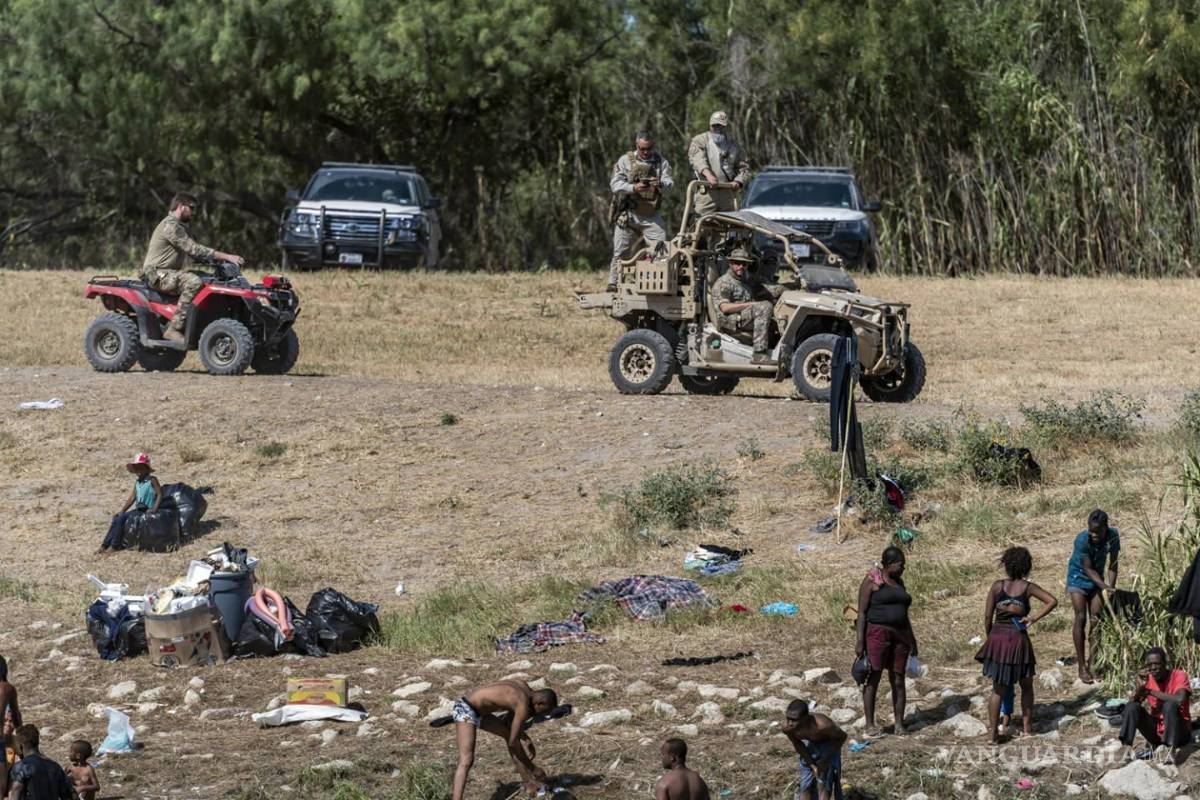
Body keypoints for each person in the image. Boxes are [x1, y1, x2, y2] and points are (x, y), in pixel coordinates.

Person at [976, 546, 1058, 744]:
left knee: (998, 689)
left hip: (998, 638)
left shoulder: (997, 586)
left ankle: (993, 735)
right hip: (1018, 639)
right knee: (1026, 686)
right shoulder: (1028, 588)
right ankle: (1027, 730)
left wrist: (991, 637)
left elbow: (987, 616)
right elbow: (1052, 601)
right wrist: (1032, 618)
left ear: (1006, 565)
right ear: (1026, 566)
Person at [140, 192, 244, 342]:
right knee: (194, 282)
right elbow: (194, 249)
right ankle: (174, 328)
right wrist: (227, 256)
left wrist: (218, 263)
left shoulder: (181, 227)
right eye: (192, 208)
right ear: (181, 206)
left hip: (169, 273)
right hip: (157, 275)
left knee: (209, 279)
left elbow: (195, 254)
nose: (194, 212)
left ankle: (200, 322)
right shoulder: (170, 226)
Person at [450, 680, 558, 800]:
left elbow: (510, 726)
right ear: (540, 703)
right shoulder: (522, 704)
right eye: (543, 711)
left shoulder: (522, 686)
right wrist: (533, 768)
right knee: (466, 760)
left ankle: (528, 783)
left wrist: (525, 738)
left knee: (508, 734)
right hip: (465, 709)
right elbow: (513, 742)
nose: (540, 715)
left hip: (481, 712)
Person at [856, 546, 918, 737]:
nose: (903, 568)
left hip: (900, 635)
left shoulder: (899, 583)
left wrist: (912, 640)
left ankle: (899, 724)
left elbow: (904, 615)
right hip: (877, 634)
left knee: (898, 678)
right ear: (890, 564)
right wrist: (860, 641)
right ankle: (870, 724)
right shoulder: (872, 581)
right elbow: (862, 612)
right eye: (901, 565)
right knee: (873, 677)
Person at [606, 131, 674, 291]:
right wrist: (633, 187)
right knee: (620, 251)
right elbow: (614, 185)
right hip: (628, 214)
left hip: (650, 214)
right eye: (642, 149)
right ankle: (613, 283)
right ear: (636, 145)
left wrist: (661, 184)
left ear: (653, 146)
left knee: (661, 249)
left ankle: (656, 283)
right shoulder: (625, 160)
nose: (645, 152)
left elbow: (670, 185)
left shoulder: (661, 162)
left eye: (649, 148)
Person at [1066, 509, 1120, 683]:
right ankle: (1082, 666)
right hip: (1078, 578)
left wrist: (1111, 588)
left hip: (1098, 579)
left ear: (1106, 528)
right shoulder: (1082, 540)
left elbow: (1113, 563)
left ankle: (1094, 662)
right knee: (1081, 618)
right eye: (1091, 531)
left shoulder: (1113, 536)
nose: (1094, 535)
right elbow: (1088, 569)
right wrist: (1104, 586)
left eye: (1097, 532)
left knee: (1097, 620)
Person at [1117, 647, 1192, 758]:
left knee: (1169, 705)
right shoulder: (1148, 680)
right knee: (1132, 706)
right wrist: (1140, 687)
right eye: (1150, 665)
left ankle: (1169, 750)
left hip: (1179, 732)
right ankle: (1126, 748)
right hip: (1157, 734)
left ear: (1165, 663)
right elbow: (1131, 707)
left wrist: (1150, 691)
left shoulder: (1179, 675)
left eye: (1157, 664)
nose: (1153, 668)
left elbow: (1180, 699)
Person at [709, 247, 781, 362]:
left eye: (744, 264)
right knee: (765, 306)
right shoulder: (724, 282)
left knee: (778, 321)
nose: (741, 267)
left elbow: (767, 289)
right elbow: (725, 308)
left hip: (743, 318)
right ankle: (759, 354)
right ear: (730, 263)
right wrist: (751, 304)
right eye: (737, 263)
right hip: (731, 321)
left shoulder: (744, 281)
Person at [687, 111, 751, 217]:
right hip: (706, 193)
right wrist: (708, 175)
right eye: (714, 126)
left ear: (725, 127)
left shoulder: (734, 146)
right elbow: (697, 159)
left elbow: (744, 168)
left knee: (729, 224)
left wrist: (738, 181)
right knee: (700, 222)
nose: (717, 129)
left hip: (728, 194)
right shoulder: (700, 140)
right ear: (710, 126)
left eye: (721, 126)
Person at [781, 699, 846, 800]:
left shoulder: (823, 725)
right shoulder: (788, 728)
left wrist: (824, 760)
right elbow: (798, 744)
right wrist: (811, 764)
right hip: (811, 746)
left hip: (829, 746)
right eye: (788, 718)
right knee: (806, 785)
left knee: (824, 782)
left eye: (794, 720)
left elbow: (842, 737)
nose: (790, 723)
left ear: (805, 718)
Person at [97, 453, 161, 555]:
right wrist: (122, 511)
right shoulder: (138, 482)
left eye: (140, 467)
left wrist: (154, 509)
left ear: (146, 468)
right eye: (136, 468)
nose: (138, 470)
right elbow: (132, 498)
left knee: (121, 519)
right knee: (117, 518)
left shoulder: (152, 480)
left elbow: (159, 494)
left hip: (146, 509)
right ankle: (104, 545)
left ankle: (114, 546)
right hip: (138, 509)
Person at [6, 724, 73, 800]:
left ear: (21, 745)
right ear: (37, 742)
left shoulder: (21, 767)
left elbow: (14, 794)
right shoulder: (55, 767)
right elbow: (69, 794)